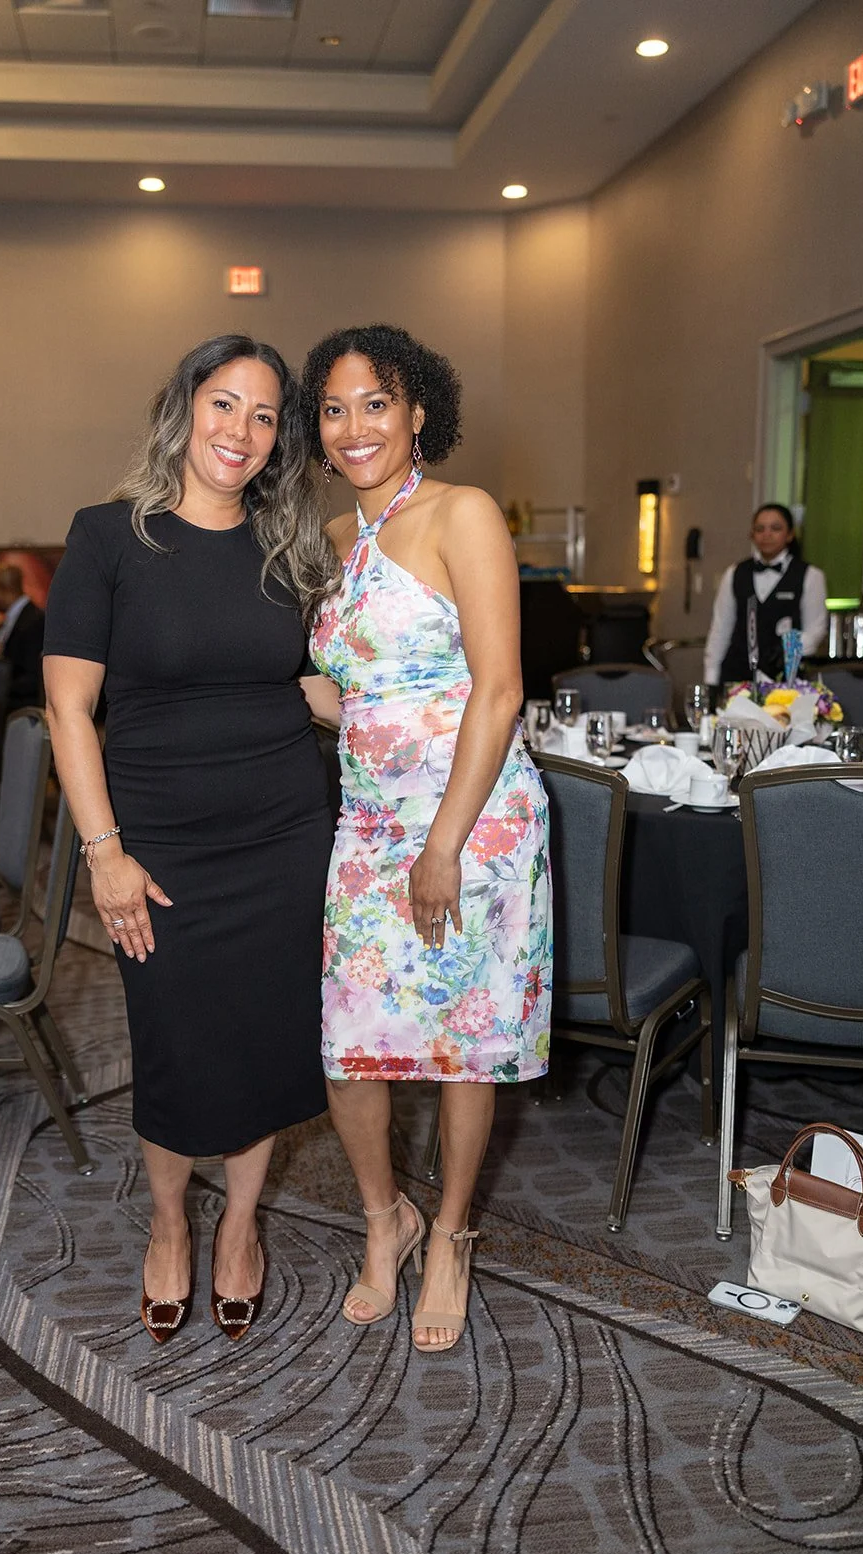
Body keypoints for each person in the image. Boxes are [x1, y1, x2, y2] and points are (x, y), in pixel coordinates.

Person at [43, 334, 338, 1346]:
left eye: (263, 415)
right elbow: (68, 709)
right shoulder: (106, 537)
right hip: (156, 843)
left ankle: (241, 1229)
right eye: (224, 404)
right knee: (174, 1043)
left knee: (263, 1040)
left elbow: (312, 682)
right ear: (184, 407)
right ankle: (170, 1220)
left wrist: (406, 705)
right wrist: (103, 851)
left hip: (283, 832)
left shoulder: (291, 547)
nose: (241, 431)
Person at [301, 324, 552, 1353]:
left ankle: (449, 1233)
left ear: (416, 415)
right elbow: (344, 691)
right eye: (333, 407)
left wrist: (444, 839)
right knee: (348, 1046)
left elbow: (497, 688)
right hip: (365, 821)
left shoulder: (462, 513)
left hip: (475, 818)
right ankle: (383, 1217)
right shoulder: (330, 540)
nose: (354, 425)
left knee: (460, 1046)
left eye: (375, 402)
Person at [703, 503, 827, 687]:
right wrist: (711, 678)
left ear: (790, 535)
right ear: (752, 535)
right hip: (737, 673)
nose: (766, 535)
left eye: (775, 528)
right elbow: (720, 629)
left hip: (785, 678)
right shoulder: (735, 573)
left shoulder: (810, 576)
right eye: (760, 529)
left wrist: (788, 649)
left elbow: (815, 630)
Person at [0, 562, 46, 709]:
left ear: (2, 589)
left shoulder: (35, 621)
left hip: (21, 708)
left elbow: (33, 677)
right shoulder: (8, 622)